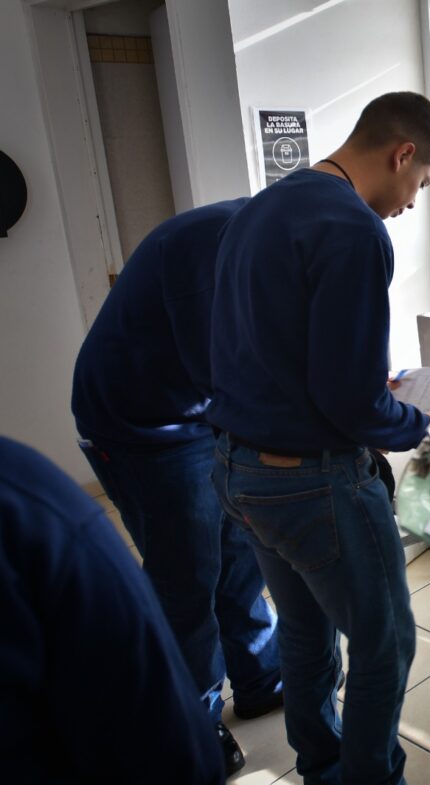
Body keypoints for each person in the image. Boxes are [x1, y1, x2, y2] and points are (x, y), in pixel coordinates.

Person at [207, 91, 430, 785]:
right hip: (310, 482)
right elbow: (351, 402)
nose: (411, 201)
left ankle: (323, 763)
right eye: (420, 183)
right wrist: (422, 423)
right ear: (402, 155)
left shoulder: (263, 208)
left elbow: (272, 349)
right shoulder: (355, 229)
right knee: (385, 642)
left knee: (306, 631)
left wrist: (368, 393)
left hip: (239, 469)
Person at [71, 199, 281, 775]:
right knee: (186, 575)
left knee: (241, 546)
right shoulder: (212, 253)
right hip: (142, 423)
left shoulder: (280, 241)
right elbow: (229, 383)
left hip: (198, 410)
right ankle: (187, 721)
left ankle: (261, 674)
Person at [0, 436, 225, 785]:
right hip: (164, 435)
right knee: (186, 585)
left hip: (171, 431)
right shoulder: (25, 499)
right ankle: (209, 703)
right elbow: (159, 726)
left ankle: (259, 677)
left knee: (225, 570)